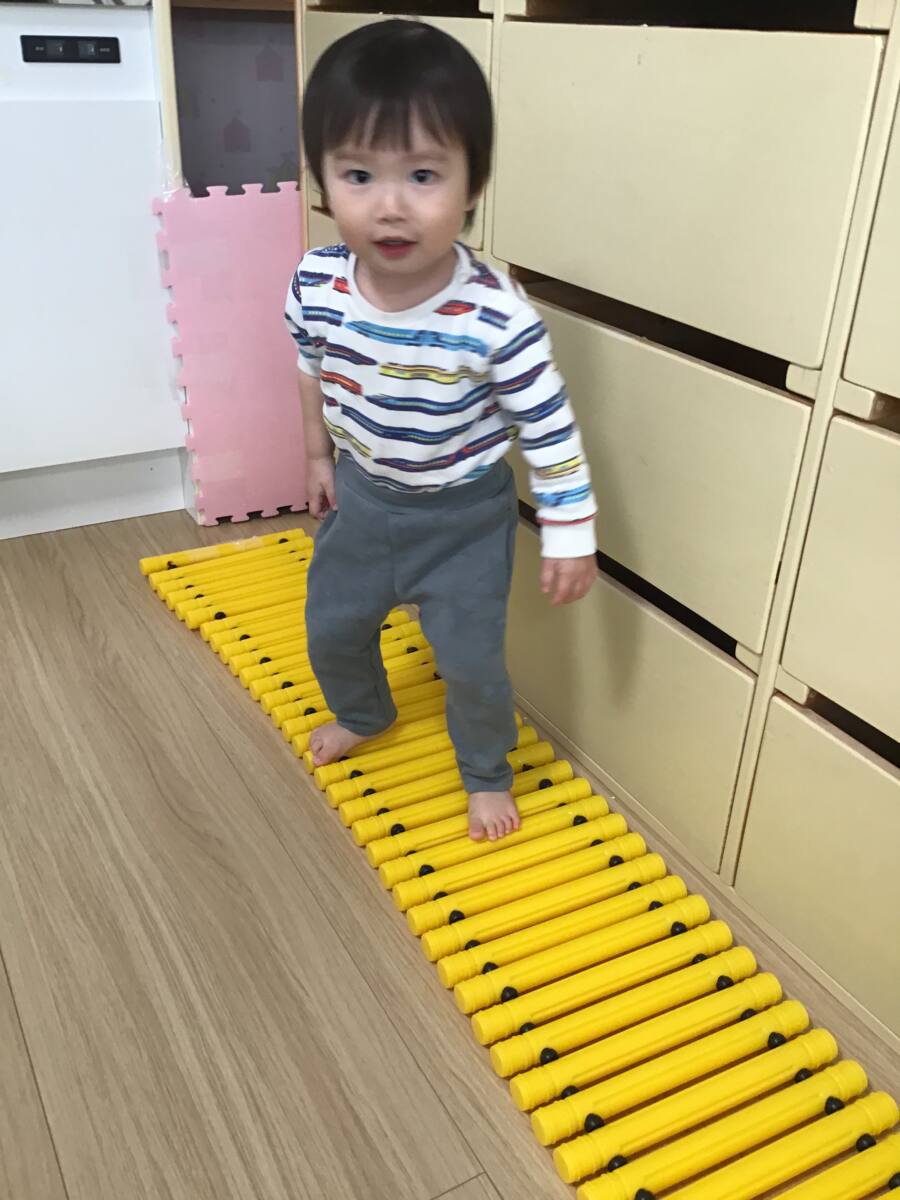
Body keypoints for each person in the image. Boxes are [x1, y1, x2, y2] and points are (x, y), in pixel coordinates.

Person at [285, 18, 598, 842]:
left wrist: (570, 530)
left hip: (463, 521)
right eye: (359, 174)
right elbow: (311, 366)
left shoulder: (495, 316)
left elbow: (550, 429)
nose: (390, 205)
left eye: (423, 174)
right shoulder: (317, 281)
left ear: (472, 183)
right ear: (322, 180)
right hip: (363, 499)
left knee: (470, 661)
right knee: (332, 625)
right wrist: (317, 454)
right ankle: (365, 713)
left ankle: (486, 772)